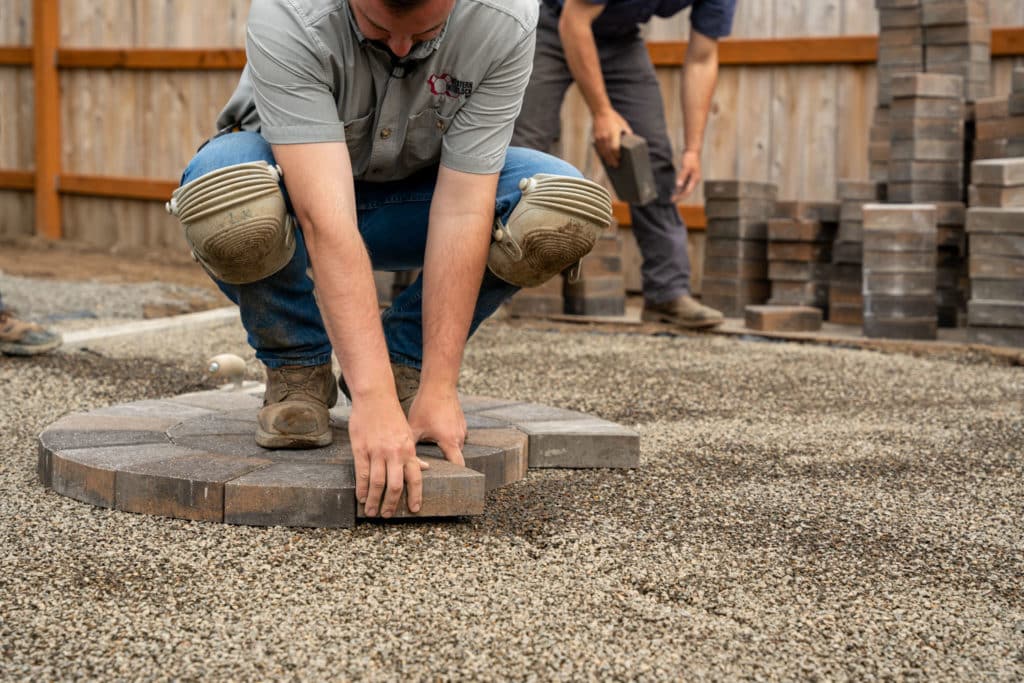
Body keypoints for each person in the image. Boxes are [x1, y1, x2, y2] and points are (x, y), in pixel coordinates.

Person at [169, 0, 612, 519]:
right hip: (295, 193)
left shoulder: (505, 15)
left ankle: (408, 363)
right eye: (379, 28)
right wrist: (372, 401)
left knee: (559, 207)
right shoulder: (290, 12)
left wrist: (439, 384)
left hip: (413, 201)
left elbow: (466, 206)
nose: (402, 48)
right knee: (226, 195)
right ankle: (296, 366)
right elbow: (326, 222)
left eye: (426, 33)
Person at [512, 0, 736, 329]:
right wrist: (603, 113)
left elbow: (703, 58)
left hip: (620, 39)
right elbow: (574, 21)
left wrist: (693, 149)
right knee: (523, 148)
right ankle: (485, 287)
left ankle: (666, 292)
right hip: (554, 25)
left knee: (653, 158)